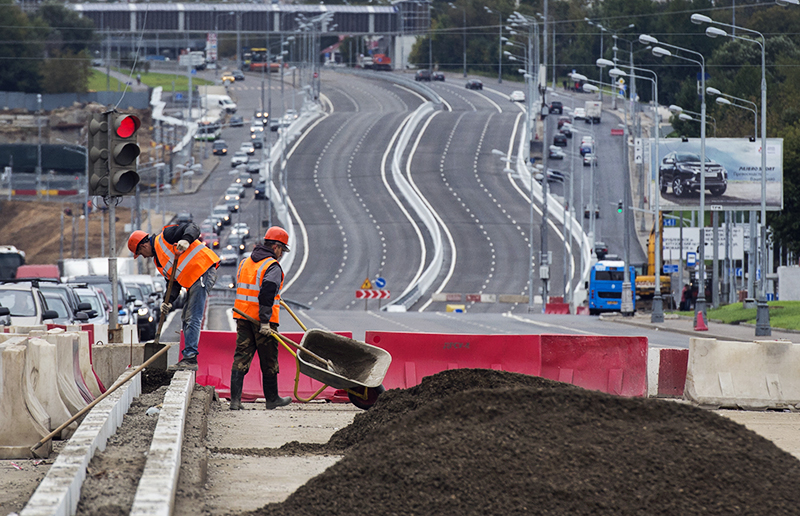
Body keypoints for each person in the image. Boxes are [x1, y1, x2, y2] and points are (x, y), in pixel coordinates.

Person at [127, 223, 220, 371]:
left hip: (203, 269)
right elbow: (173, 283)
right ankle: (188, 357)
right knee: (186, 317)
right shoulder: (159, 261)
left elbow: (192, 227)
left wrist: (186, 239)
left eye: (140, 253)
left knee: (192, 317)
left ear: (143, 245)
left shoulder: (166, 236)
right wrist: (168, 301)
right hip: (194, 278)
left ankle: (190, 359)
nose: (143, 257)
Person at [229, 226, 292, 410]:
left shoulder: (245, 261)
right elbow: (266, 294)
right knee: (269, 359)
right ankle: (272, 399)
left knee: (241, 357)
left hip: (243, 317)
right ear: (276, 247)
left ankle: (235, 401)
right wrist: (265, 321)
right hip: (262, 321)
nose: (281, 255)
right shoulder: (271, 266)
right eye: (281, 250)